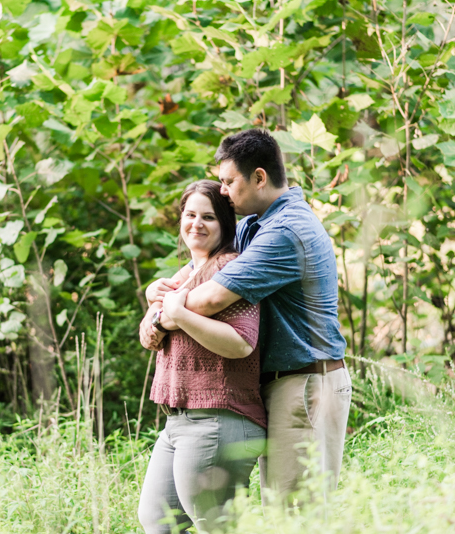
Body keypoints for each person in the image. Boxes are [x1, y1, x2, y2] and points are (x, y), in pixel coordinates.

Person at [141, 129, 351, 504]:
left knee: (295, 516)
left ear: (259, 177)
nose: (222, 191)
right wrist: (158, 292)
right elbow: (204, 263)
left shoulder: (286, 231)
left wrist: (166, 314)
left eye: (229, 181)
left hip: (305, 383)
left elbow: (207, 300)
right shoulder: (258, 222)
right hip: (280, 383)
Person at [137, 180, 267, 534]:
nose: (196, 223)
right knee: (157, 519)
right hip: (179, 419)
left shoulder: (229, 268)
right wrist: (157, 310)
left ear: (225, 224)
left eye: (208, 217)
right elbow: (148, 335)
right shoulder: (185, 275)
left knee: (217, 526)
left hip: (219, 417)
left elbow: (241, 343)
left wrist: (177, 315)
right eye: (190, 214)